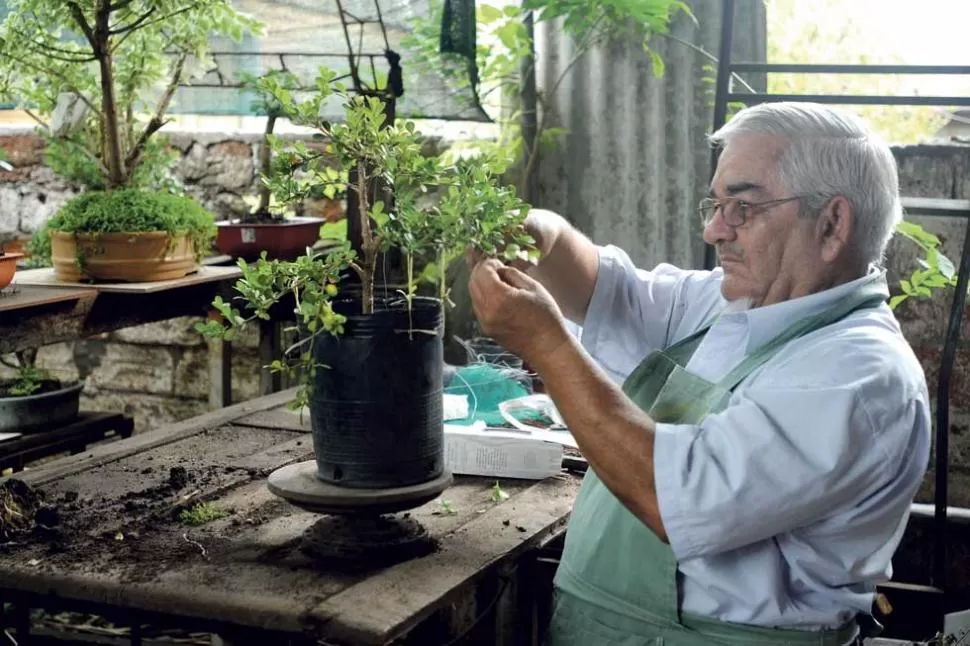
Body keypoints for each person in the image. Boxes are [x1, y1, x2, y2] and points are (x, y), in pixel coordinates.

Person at [466, 102, 931, 645]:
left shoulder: (859, 373)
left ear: (831, 224)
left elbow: (675, 498)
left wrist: (546, 344)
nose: (714, 230)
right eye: (715, 204)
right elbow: (607, 289)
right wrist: (536, 232)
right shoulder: (735, 302)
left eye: (742, 208)